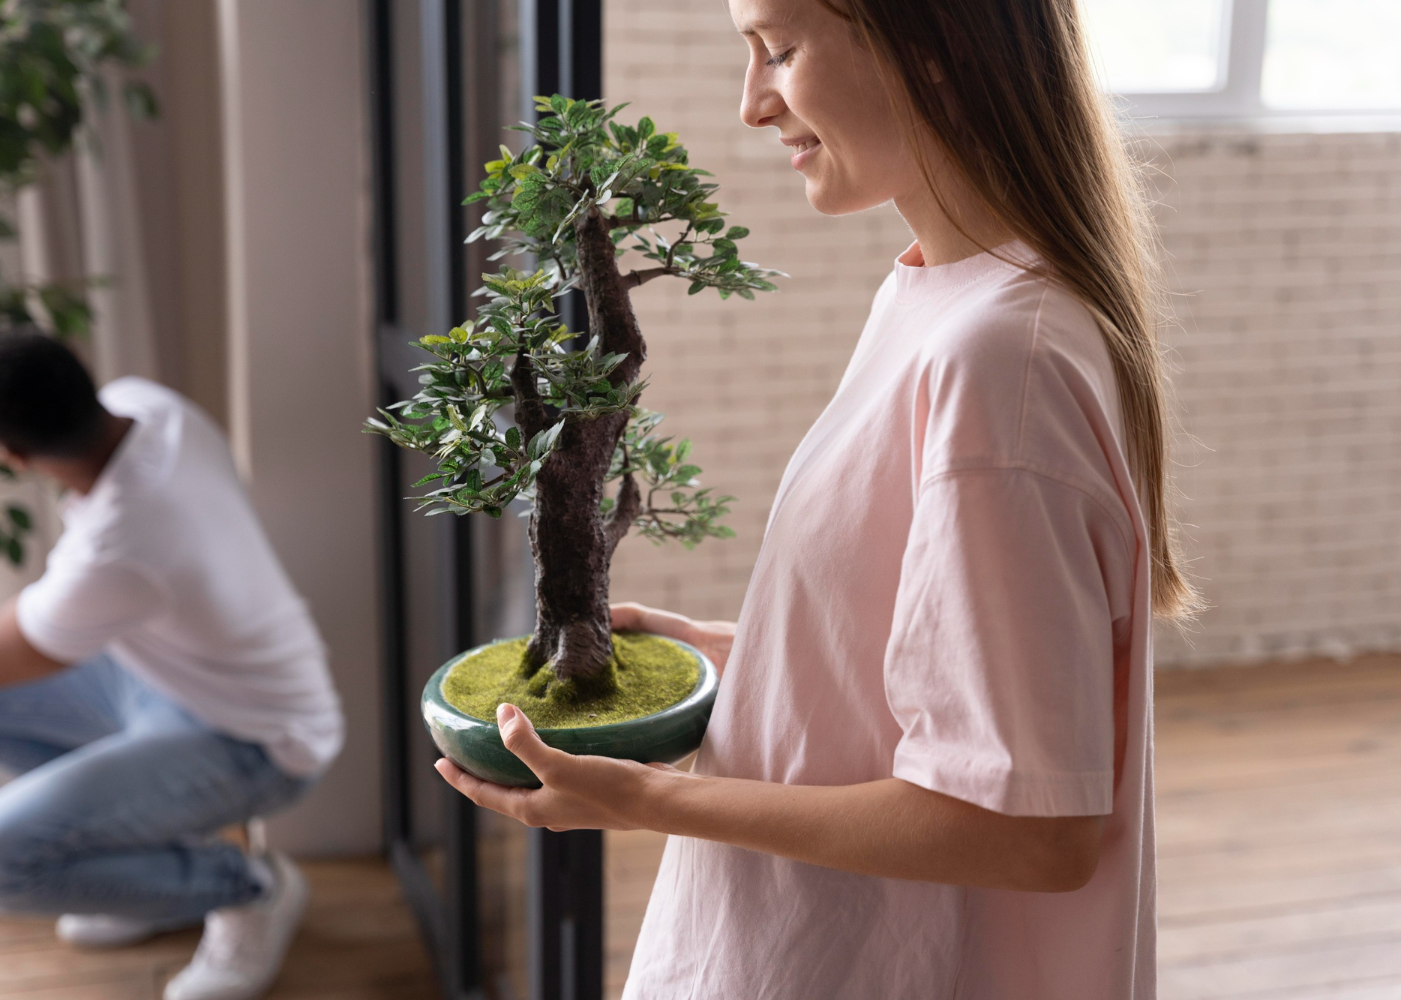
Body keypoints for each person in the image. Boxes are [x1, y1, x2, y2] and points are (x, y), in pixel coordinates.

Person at [432, 1, 1200, 997]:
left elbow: (1031, 829)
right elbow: (936, 662)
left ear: (932, 50)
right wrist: (747, 659)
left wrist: (647, 795)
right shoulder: (936, 296)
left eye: (781, 50)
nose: (752, 104)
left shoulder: (1001, 360)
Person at [0, 329, 343, 1000]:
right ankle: (144, 868)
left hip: (257, 741)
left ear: (12, 457)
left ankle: (248, 888)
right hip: (173, 681)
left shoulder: (120, 544)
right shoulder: (148, 406)